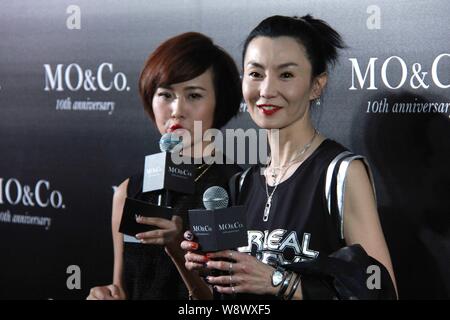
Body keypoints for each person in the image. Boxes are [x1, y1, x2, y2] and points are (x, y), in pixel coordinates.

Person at [182, 15, 398, 300]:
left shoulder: (341, 173)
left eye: (286, 75)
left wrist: (281, 282)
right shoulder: (241, 184)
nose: (266, 91)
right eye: (256, 74)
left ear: (316, 85)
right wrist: (207, 267)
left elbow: (379, 290)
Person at [87, 32, 242, 300]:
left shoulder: (237, 187)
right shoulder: (129, 190)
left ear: (220, 102)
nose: (176, 109)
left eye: (194, 95)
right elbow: (123, 287)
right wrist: (105, 295)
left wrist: (178, 250)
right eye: (166, 94)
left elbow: (231, 303)